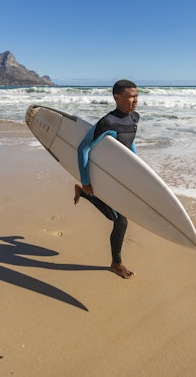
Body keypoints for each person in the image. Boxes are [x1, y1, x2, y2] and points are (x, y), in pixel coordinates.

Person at [73, 79, 139, 279]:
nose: (135, 100)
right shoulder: (107, 122)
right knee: (121, 221)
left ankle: (85, 195)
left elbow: (129, 145)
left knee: (114, 216)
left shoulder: (135, 118)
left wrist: (138, 168)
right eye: (130, 96)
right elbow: (83, 148)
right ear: (117, 97)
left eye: (137, 96)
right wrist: (86, 180)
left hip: (121, 178)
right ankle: (116, 263)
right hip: (107, 177)